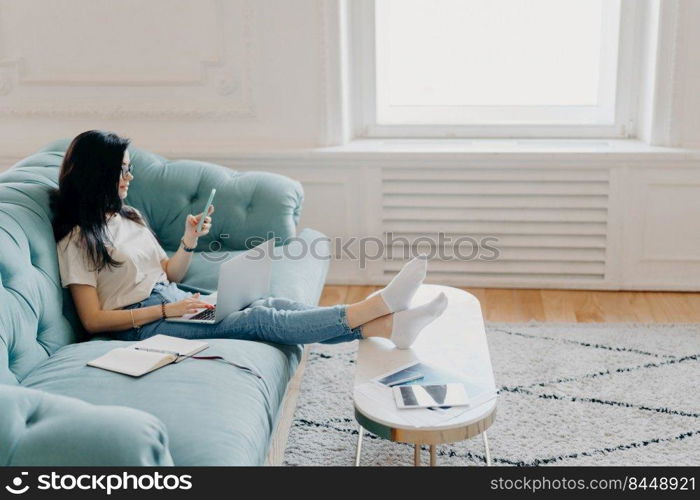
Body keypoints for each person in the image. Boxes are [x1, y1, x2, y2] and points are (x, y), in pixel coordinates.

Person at [51, 130, 447, 349]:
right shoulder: (78, 241)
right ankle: (376, 306)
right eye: (121, 171)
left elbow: (169, 272)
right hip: (140, 327)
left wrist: (189, 241)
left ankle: (389, 327)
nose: (129, 177)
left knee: (270, 302)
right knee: (258, 319)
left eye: (129, 169)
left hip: (172, 299)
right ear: (97, 176)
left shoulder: (129, 216)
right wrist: (165, 313)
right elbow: (93, 320)